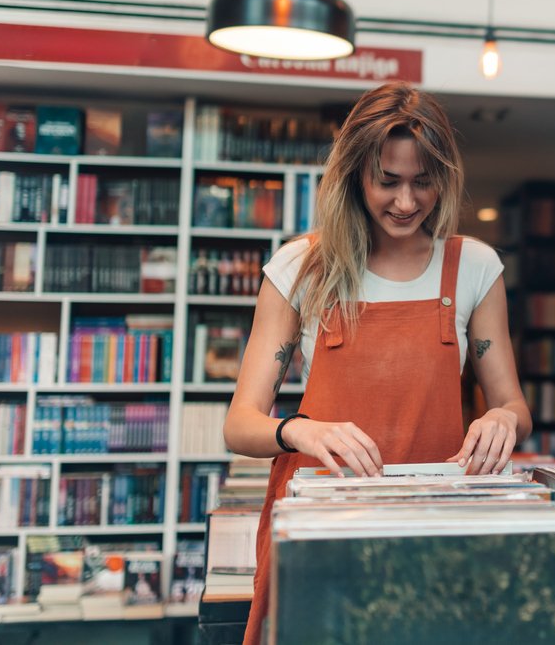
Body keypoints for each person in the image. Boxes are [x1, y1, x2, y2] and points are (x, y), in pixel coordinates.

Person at [224, 82, 532, 645]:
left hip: (432, 528)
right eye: (387, 181)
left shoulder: (474, 268)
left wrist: (503, 420)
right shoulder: (302, 267)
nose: (407, 202)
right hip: (323, 527)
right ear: (354, 175)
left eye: (424, 182)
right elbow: (240, 424)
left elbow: (513, 405)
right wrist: (301, 430)